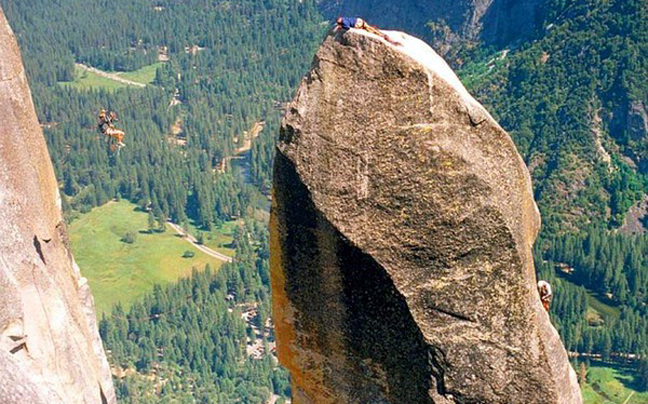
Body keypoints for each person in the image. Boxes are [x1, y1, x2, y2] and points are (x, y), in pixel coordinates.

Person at [335, 17, 402, 46]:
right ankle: (379, 33)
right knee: (369, 28)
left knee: (369, 29)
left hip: (357, 24)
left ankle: (383, 36)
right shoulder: (344, 18)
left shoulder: (344, 21)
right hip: (359, 20)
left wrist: (341, 27)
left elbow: (347, 27)